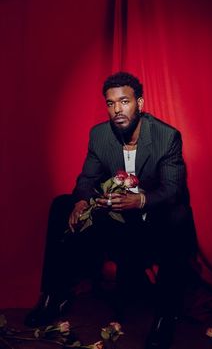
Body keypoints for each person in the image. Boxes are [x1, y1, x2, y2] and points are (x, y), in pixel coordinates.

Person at [24, 72, 197, 349]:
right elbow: (87, 179)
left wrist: (139, 201)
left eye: (124, 101)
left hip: (152, 223)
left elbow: (173, 191)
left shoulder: (167, 137)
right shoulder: (100, 134)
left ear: (139, 103)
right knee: (61, 204)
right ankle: (52, 296)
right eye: (110, 103)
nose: (117, 109)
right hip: (116, 225)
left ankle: (166, 316)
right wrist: (81, 200)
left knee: (179, 215)